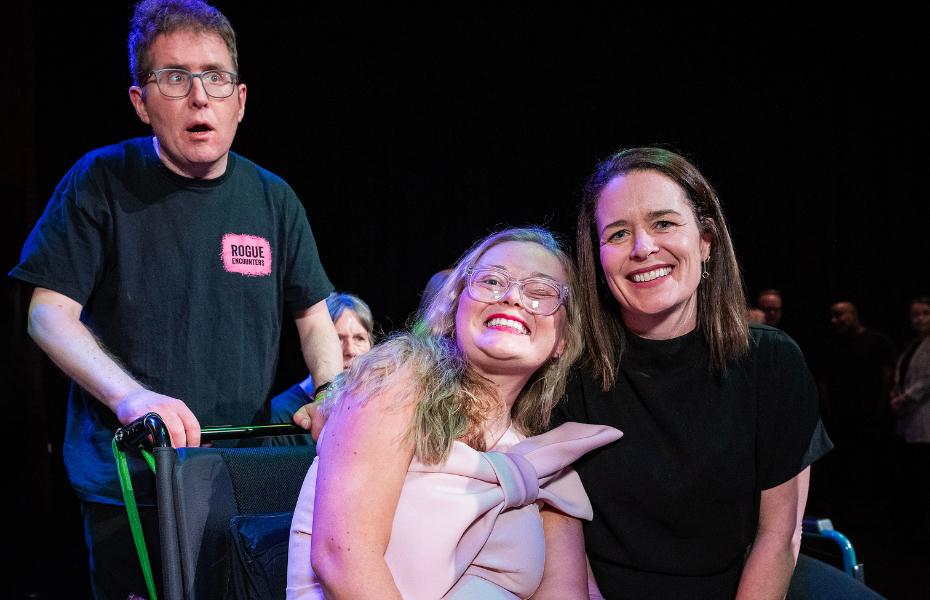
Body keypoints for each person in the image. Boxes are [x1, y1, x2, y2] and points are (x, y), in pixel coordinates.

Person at [7, 1, 341, 598]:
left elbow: (315, 315)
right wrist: (131, 397)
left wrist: (332, 392)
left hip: (241, 475)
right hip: (130, 480)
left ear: (240, 100)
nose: (198, 96)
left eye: (215, 77)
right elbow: (46, 314)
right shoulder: (100, 180)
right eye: (174, 78)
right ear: (140, 101)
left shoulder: (274, 199)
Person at [552, 147, 832, 600]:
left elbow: (777, 537)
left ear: (706, 241)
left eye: (664, 223)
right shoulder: (567, 371)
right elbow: (563, 546)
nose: (643, 248)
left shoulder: (772, 363)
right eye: (618, 233)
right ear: (598, 259)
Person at [287, 227, 622, 599]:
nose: (511, 297)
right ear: (456, 306)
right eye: (492, 280)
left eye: (541, 292)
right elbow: (341, 559)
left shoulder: (546, 463)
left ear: (561, 340)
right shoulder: (398, 378)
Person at [815, 301, 897, 521]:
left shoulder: (877, 341)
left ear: (854, 314)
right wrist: (830, 410)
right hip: (842, 418)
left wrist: (881, 407)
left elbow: (887, 374)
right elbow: (822, 379)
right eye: (832, 316)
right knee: (843, 468)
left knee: (872, 465)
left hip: (871, 416)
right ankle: (845, 515)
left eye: (840, 315)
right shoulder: (832, 345)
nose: (835, 320)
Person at [269, 292, 374, 446]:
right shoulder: (281, 414)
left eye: (359, 338)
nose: (351, 350)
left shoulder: (375, 406)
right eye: (339, 338)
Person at [890, 296, 930, 544]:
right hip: (908, 420)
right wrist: (896, 396)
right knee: (911, 479)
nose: (919, 319)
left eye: (925, 313)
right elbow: (901, 375)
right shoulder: (913, 345)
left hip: (924, 420)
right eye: (915, 314)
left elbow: (926, 380)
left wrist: (905, 397)